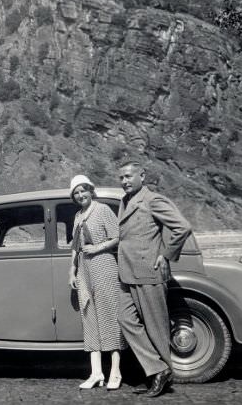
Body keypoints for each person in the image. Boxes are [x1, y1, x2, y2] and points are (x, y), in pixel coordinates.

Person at [116, 161, 194, 398]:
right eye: (121, 178)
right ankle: (157, 368)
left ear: (142, 175)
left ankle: (161, 375)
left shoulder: (153, 200)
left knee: (156, 327)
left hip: (148, 271)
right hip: (128, 272)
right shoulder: (125, 201)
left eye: (129, 176)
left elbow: (183, 227)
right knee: (125, 319)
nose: (124, 181)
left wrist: (166, 255)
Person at [67, 174, 125, 390]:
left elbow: (117, 236)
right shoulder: (78, 216)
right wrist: (72, 270)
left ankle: (115, 372)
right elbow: (75, 246)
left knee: (109, 316)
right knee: (89, 315)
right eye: (76, 192)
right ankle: (96, 372)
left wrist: (98, 247)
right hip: (84, 268)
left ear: (91, 190)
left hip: (104, 265)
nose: (81, 195)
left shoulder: (102, 210)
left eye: (83, 190)